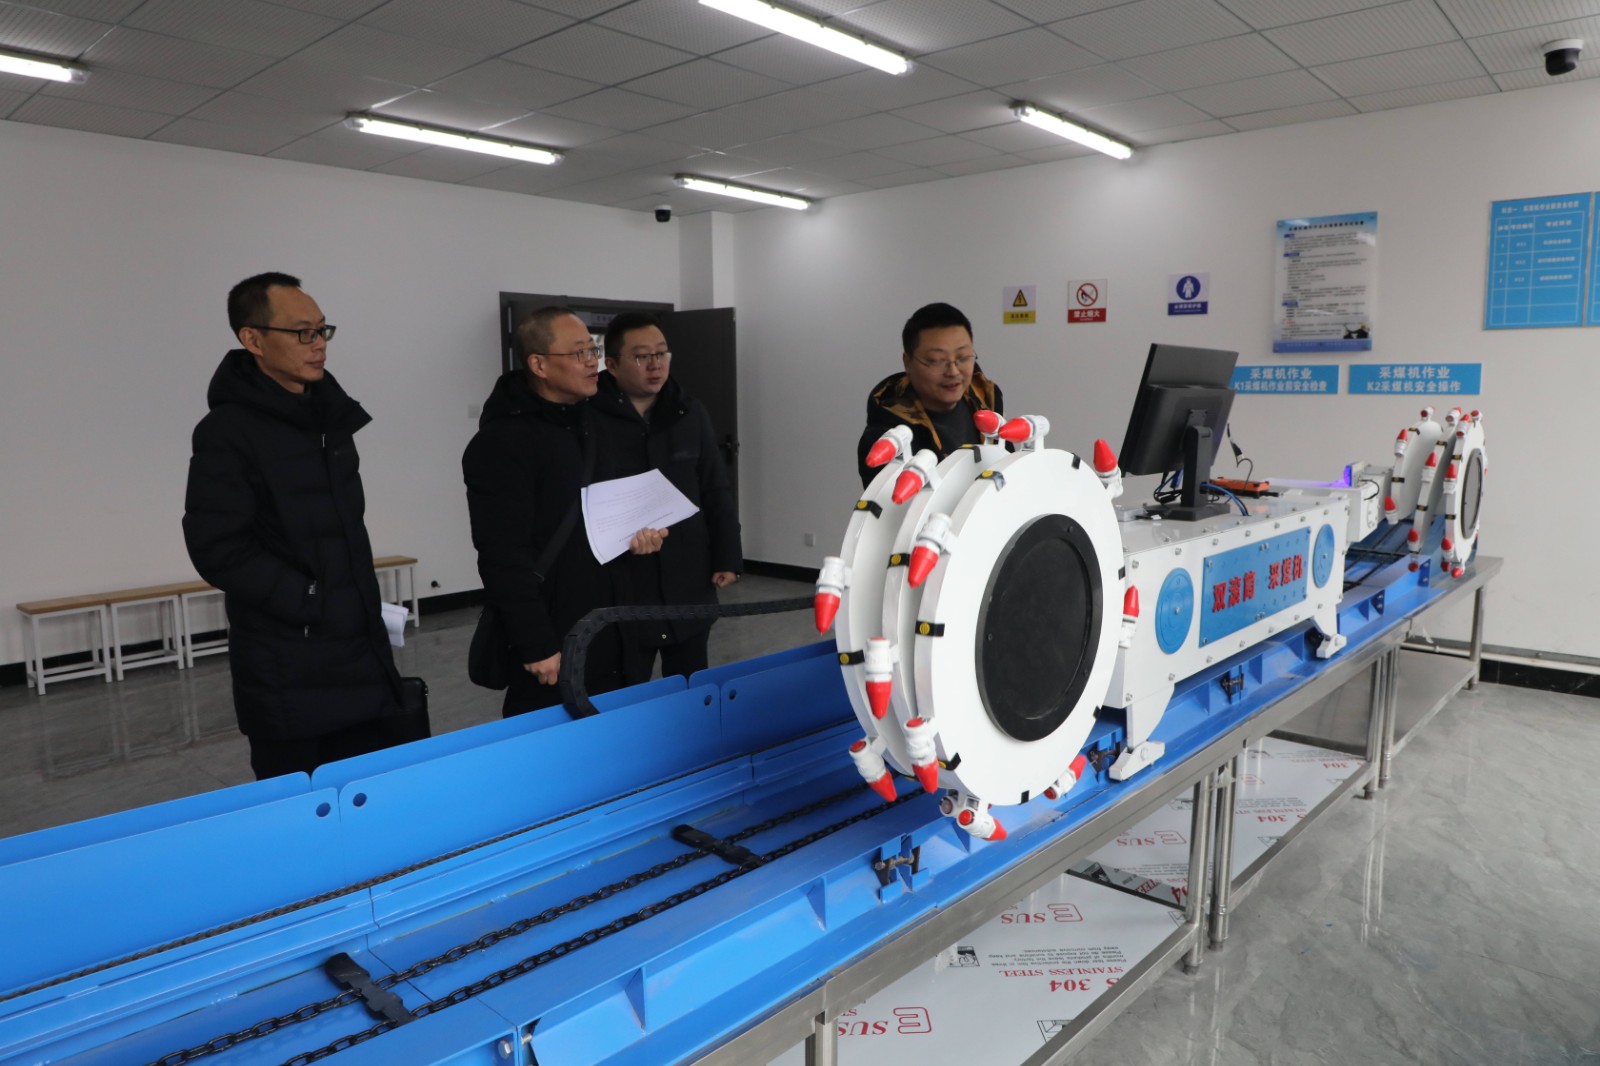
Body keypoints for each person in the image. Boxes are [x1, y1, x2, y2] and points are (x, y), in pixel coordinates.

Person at [183, 272, 423, 779]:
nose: (318, 345)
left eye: (322, 330)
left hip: (359, 649)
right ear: (253, 340)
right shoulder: (227, 432)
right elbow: (216, 546)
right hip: (288, 665)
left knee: (375, 800)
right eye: (302, 333)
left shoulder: (330, 422)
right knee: (305, 808)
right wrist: (310, 600)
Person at [462, 306, 667, 716]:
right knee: (555, 744)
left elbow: (612, 514)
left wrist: (642, 537)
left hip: (614, 625)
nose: (593, 363)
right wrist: (536, 644)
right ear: (538, 365)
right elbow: (502, 555)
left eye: (593, 350)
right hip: (554, 637)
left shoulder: (598, 425)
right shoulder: (502, 442)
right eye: (579, 353)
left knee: (621, 739)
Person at [591, 311, 742, 683]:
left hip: (687, 573)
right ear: (612, 364)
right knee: (626, 691)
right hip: (624, 581)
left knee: (691, 686)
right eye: (642, 356)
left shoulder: (689, 411)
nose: (655, 364)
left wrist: (727, 555)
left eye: (661, 353)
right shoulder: (588, 418)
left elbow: (715, 488)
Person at [856, 302, 1003, 487]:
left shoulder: (986, 401)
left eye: (963, 357)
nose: (953, 371)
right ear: (908, 362)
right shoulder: (886, 439)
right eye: (936, 360)